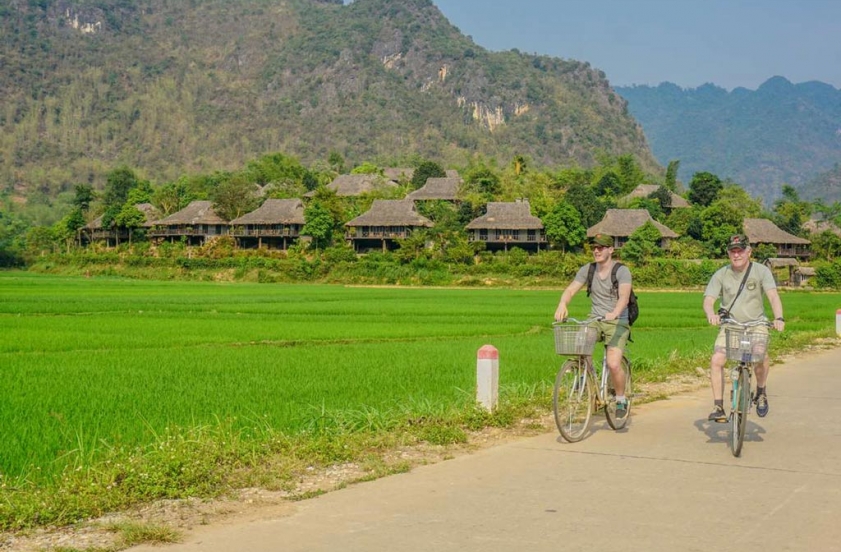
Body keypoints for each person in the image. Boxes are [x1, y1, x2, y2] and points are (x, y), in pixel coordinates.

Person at [703, 233, 785, 423]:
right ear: (728, 253)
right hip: (731, 323)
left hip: (757, 323)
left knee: (760, 354)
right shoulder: (721, 274)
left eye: (740, 250)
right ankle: (718, 405)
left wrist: (779, 317)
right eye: (733, 251)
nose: (737, 255)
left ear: (749, 252)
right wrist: (711, 314)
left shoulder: (761, 271)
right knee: (717, 359)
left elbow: (772, 296)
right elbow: (709, 300)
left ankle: (761, 391)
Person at [554, 233, 632, 419]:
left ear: (610, 250)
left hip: (617, 320)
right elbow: (571, 289)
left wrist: (614, 312)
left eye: (601, 247)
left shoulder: (621, 271)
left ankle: (621, 398)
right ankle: (587, 378)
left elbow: (624, 297)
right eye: (594, 248)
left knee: (613, 363)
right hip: (595, 319)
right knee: (580, 344)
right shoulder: (588, 269)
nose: (596, 251)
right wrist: (562, 303)